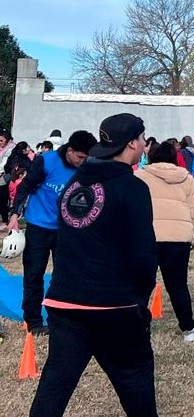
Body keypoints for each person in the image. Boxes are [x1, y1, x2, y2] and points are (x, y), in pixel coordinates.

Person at [29, 113, 158, 416]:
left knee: (54, 387)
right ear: (131, 144)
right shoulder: (132, 188)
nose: (144, 145)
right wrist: (140, 300)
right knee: (136, 383)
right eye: (141, 139)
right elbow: (143, 254)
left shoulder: (74, 185)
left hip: (65, 302)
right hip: (114, 307)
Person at [8, 130, 97, 335]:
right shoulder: (46, 162)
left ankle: (60, 317)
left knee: (65, 275)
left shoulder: (85, 169)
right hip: (39, 226)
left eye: (87, 158)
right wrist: (14, 214)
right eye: (80, 157)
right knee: (34, 275)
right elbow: (26, 187)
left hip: (66, 229)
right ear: (70, 150)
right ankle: (34, 321)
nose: (83, 162)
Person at [135, 141, 194, 343]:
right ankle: (189, 328)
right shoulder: (186, 179)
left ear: (150, 157)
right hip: (178, 239)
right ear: (176, 158)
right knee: (178, 286)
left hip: (147, 237)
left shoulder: (140, 176)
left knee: (141, 286)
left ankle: (138, 327)